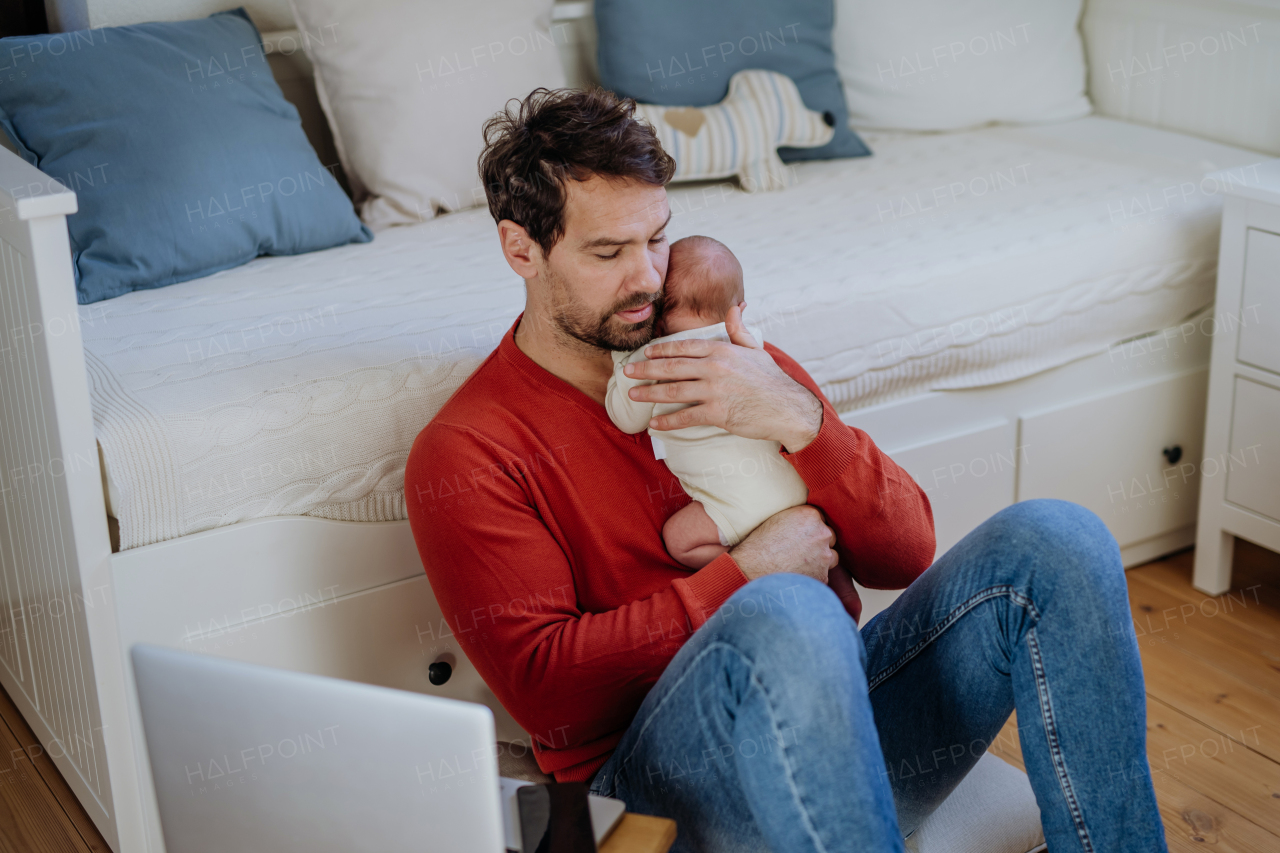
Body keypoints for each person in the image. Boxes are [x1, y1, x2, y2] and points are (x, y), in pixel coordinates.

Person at [405, 87, 1166, 852]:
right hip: (657, 789)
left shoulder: (726, 353)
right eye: (608, 252)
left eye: (658, 238)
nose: (648, 279)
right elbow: (548, 691)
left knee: (1057, 539)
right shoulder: (471, 447)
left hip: (842, 724)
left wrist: (799, 416)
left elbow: (904, 554)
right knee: (791, 613)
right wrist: (746, 573)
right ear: (521, 249)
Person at [606, 235, 809, 571]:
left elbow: (627, 419)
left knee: (679, 541)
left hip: (734, 507)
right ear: (739, 311)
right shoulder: (754, 351)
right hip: (797, 490)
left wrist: (621, 363)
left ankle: (763, 567)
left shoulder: (650, 359)